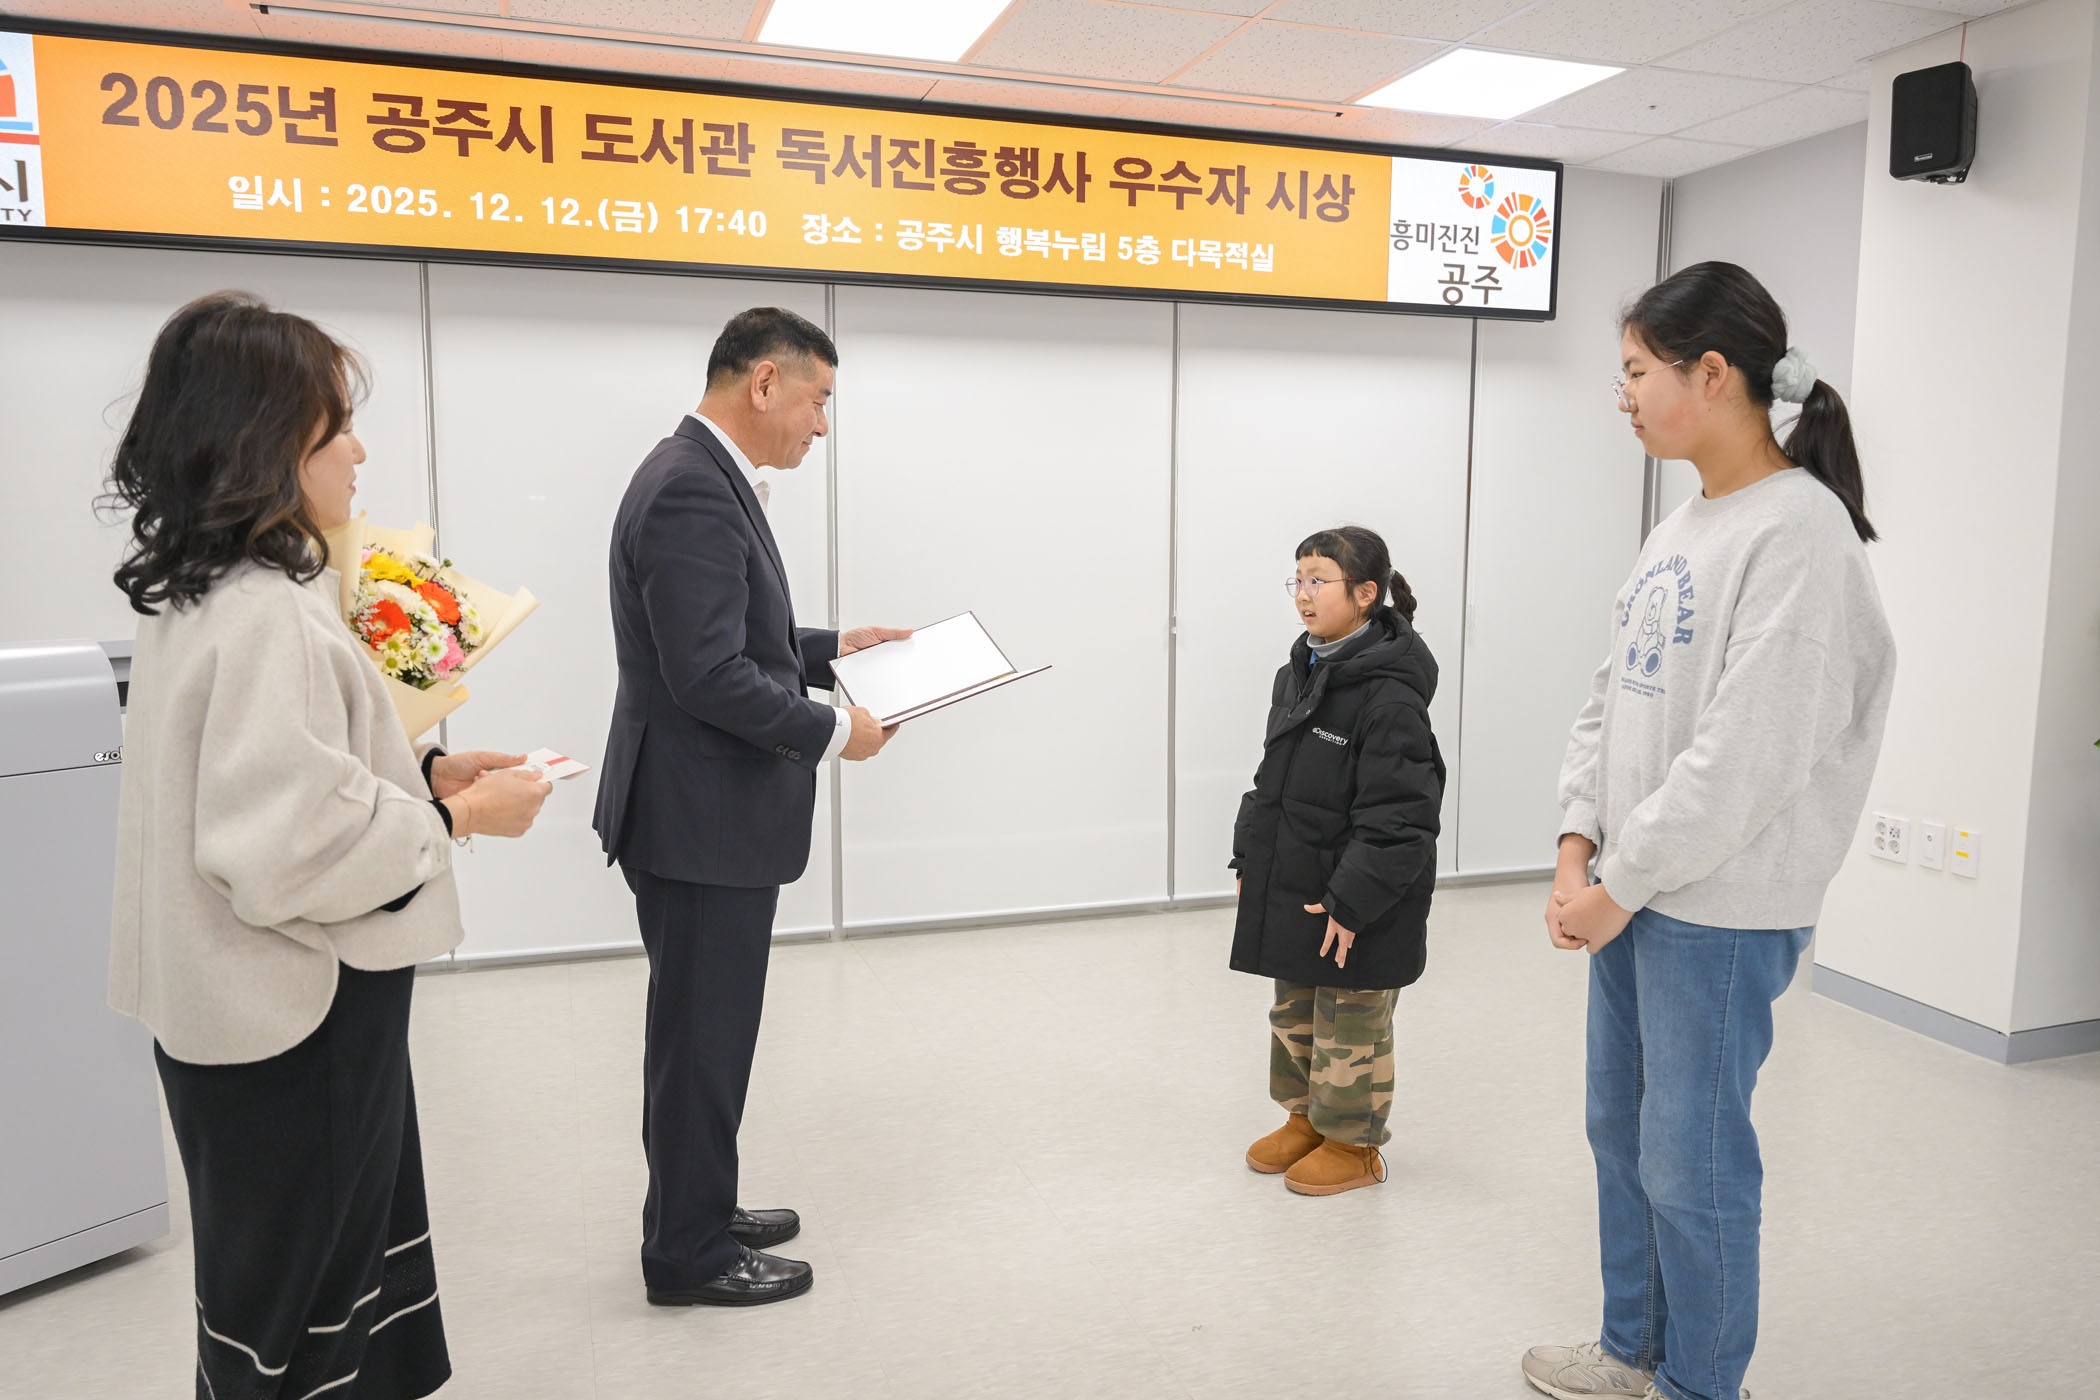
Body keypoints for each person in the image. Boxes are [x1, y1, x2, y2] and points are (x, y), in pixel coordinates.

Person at [104, 291, 551, 1400]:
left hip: (224, 1010)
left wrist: (418, 772)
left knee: (261, 1295)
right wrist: (458, 818)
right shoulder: (273, 610)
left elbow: (254, 781)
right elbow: (288, 851)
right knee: (308, 1317)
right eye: (336, 426)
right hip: (297, 1023)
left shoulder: (195, 589)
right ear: (268, 443)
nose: (358, 451)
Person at [1522, 262, 1896, 1400]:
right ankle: (1631, 1348)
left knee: (1694, 1164)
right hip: (1635, 891)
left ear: (1713, 373)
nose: (1624, 396)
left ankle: (1699, 1383)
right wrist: (1577, 844)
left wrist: (1617, 881)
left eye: (1638, 371)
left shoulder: (1801, 534)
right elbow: (1610, 697)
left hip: (1716, 909)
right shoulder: (1684, 523)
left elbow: (1745, 760)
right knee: (1622, 1137)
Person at [594, 306, 910, 1308]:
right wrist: (835, 729)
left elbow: (727, 634)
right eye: (819, 399)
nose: (822, 424)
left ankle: (701, 1205)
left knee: (706, 1034)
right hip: (701, 818)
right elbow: (707, 674)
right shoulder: (692, 486)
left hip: (700, 813)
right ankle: (687, 1253)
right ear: (765, 382)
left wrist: (830, 648)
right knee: (700, 1040)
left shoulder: (698, 471)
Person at [1229, 525, 1446, 1197]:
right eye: (1297, 580)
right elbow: (1271, 780)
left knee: (1349, 1024)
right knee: (1295, 1011)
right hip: (1300, 879)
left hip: (1362, 896)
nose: (1303, 594)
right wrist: (1249, 860)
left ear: (1365, 593)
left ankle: (1354, 1144)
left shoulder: (1390, 697)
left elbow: (1401, 817)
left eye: (1318, 580)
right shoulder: (1297, 673)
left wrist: (1352, 902)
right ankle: (1305, 1120)